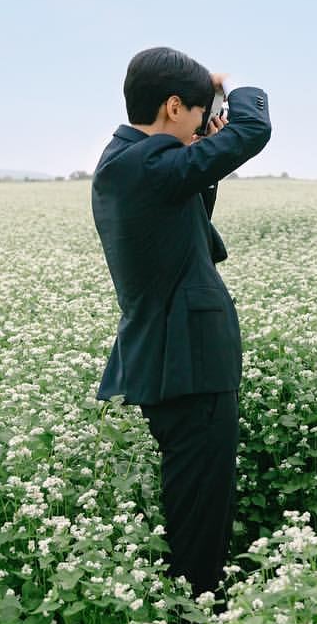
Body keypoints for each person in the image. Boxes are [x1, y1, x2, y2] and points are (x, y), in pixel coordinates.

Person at [92, 46, 271, 596]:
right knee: (199, 504)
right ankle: (198, 618)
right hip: (188, 363)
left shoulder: (127, 160)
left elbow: (183, 213)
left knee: (193, 495)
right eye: (196, 112)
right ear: (174, 106)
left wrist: (198, 140)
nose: (202, 122)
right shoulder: (145, 165)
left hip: (175, 359)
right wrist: (230, 84)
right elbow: (252, 129)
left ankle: (193, 602)